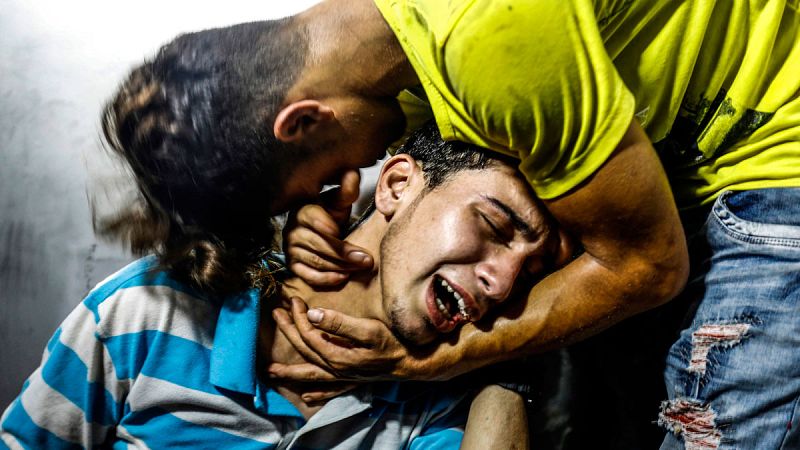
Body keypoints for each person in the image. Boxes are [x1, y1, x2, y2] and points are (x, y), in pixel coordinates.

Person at [102, 0, 800, 446]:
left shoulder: (494, 45)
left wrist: (435, 361)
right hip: (664, 158)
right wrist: (309, 219)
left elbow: (649, 266)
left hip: (771, 153)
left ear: (305, 120)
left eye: (321, 179)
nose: (350, 182)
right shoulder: (388, 44)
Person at [0, 125, 556, 449]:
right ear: (397, 185)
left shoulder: (444, 406)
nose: (504, 283)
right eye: (494, 225)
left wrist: (511, 364)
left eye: (531, 274)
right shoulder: (146, 312)